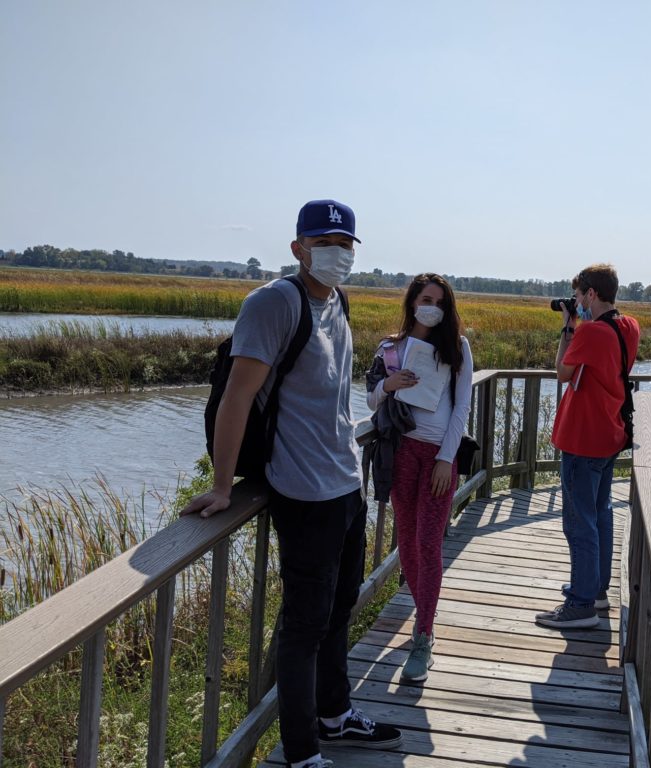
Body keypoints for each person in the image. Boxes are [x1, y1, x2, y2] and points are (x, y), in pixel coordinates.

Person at [182, 200, 402, 768]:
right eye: (326, 240)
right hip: (303, 492)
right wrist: (224, 484)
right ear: (298, 247)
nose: (339, 251)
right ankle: (302, 753)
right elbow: (236, 396)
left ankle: (335, 714)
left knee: (338, 610)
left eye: (347, 242)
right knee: (304, 627)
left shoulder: (338, 299)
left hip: (344, 482)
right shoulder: (273, 303)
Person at [366, 273, 472, 681]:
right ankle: (424, 611)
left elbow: (462, 406)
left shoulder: (456, 347)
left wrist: (447, 458)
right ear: (412, 302)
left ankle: (423, 636)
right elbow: (372, 397)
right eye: (426, 299)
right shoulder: (391, 347)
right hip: (401, 452)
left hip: (437, 458)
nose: (433, 307)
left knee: (429, 542)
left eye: (440, 302)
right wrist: (388, 384)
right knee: (407, 540)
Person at [535, 263, 640, 630]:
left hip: (583, 439)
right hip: (609, 435)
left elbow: (562, 372)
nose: (575, 302)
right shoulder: (628, 326)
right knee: (599, 514)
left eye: (578, 296)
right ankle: (595, 590)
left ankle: (580, 605)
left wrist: (568, 326)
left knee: (579, 523)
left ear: (591, 294)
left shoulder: (592, 332)